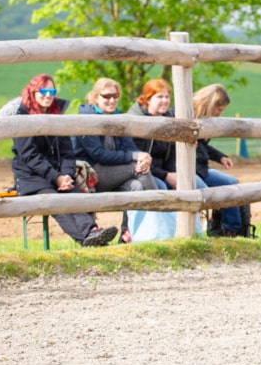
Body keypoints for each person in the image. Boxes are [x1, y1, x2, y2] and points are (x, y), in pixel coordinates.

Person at [10, 74, 119, 247]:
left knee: (74, 198)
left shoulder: (58, 116)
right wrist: (56, 177)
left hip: (58, 175)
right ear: (33, 92)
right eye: (43, 91)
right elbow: (29, 156)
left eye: (52, 91)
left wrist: (66, 175)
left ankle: (92, 232)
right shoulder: (20, 117)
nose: (48, 95)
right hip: (31, 177)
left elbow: (68, 152)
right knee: (56, 203)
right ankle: (87, 238)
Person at [72, 77, 158, 243]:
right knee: (138, 170)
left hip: (115, 173)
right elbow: (98, 154)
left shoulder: (119, 117)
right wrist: (136, 158)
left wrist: (142, 158)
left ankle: (128, 234)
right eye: (106, 96)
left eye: (115, 95)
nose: (112, 100)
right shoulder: (86, 118)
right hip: (92, 174)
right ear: (95, 97)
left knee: (137, 186)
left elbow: (130, 146)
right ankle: (162, 217)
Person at [126, 78, 205, 239]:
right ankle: (154, 234)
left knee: (198, 185)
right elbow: (137, 158)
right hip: (143, 171)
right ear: (147, 99)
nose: (164, 101)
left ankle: (195, 231)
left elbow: (173, 152)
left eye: (167, 97)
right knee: (160, 188)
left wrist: (175, 174)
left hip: (166, 171)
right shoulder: (137, 120)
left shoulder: (170, 119)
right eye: (159, 97)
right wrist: (167, 176)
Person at [193, 84, 249, 237]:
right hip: (186, 170)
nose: (219, 114)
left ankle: (232, 230)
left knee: (231, 184)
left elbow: (203, 148)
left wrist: (220, 157)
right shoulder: (186, 115)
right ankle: (212, 229)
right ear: (209, 104)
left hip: (201, 169)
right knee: (209, 195)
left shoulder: (203, 120)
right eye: (219, 109)